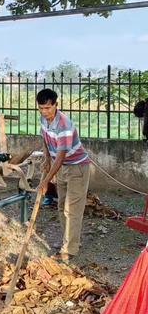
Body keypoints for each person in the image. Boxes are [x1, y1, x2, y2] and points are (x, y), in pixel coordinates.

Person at [36, 88, 92, 262]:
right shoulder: (43, 120)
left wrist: (46, 181)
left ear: (56, 105)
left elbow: (60, 157)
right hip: (61, 168)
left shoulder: (64, 125)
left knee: (72, 210)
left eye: (48, 108)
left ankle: (69, 250)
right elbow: (45, 140)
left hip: (77, 168)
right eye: (41, 108)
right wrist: (46, 159)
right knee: (61, 207)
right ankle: (68, 241)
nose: (44, 112)